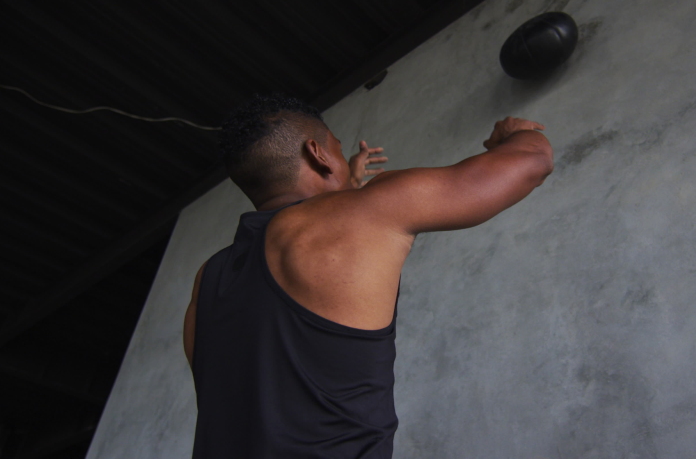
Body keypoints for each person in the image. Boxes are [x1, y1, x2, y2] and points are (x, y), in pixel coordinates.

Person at [182, 93, 553, 459]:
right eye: (339, 152)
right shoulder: (360, 213)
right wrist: (517, 132)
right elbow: (532, 162)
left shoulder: (208, 278)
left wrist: (344, 183)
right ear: (318, 153)